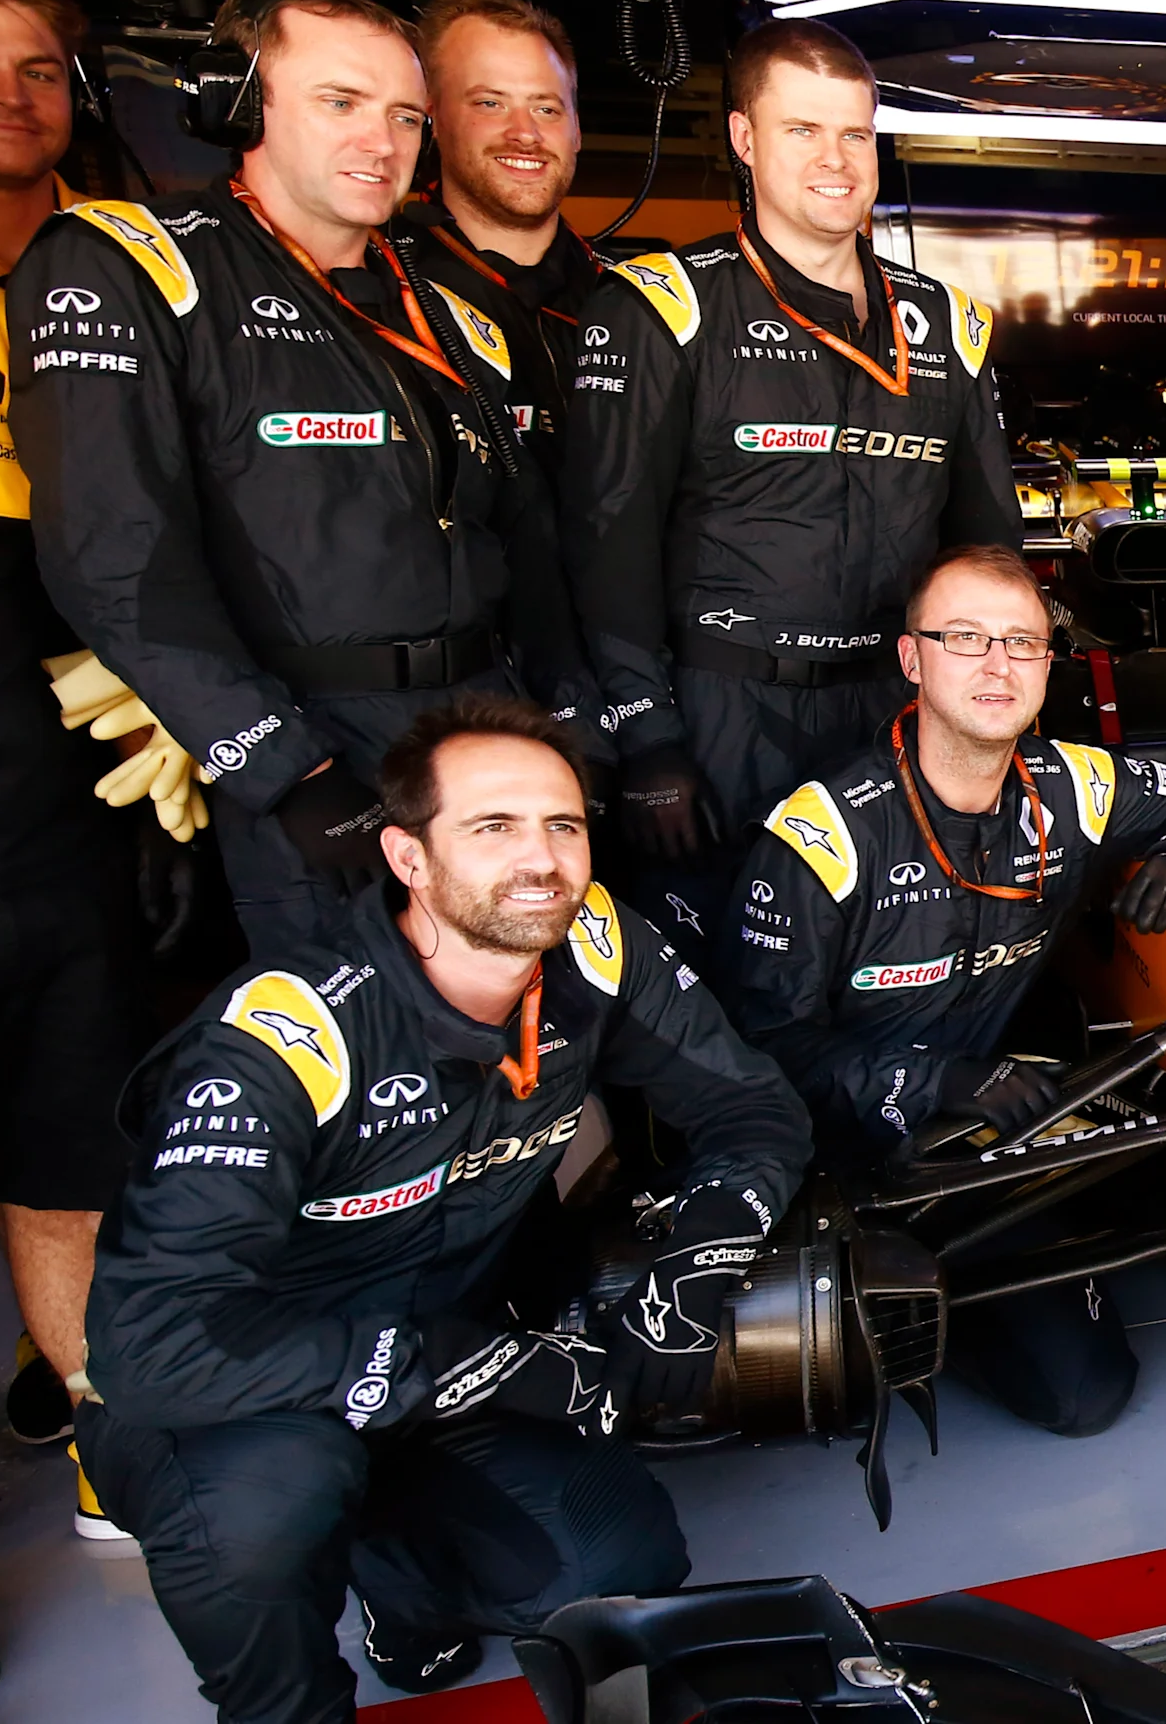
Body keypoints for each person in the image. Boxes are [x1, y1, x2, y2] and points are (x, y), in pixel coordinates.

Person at [78, 694, 811, 1724]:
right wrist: (444, 1363)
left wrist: (702, 1250)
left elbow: (750, 1108)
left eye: (563, 824)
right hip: (237, 1399)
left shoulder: (594, 945)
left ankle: (406, 1592)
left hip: (447, 1357)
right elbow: (147, 1350)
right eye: (492, 826)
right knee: (268, 1513)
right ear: (409, 858)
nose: (542, 858)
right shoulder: (290, 1037)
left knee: (622, 1562)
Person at [12, 0, 588, 963]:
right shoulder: (135, 266)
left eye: (404, 115)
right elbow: (114, 559)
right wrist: (283, 769)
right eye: (340, 103)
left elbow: (525, 543)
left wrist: (571, 727)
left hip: (488, 729)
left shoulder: (449, 314)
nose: (381, 140)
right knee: (362, 1057)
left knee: (531, 1024)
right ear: (241, 107)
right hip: (316, 738)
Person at [730, 545, 1166, 1434]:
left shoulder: (1073, 784)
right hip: (847, 1158)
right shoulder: (823, 835)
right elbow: (761, 1054)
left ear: (1048, 669)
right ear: (912, 659)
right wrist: (931, 1080)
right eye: (967, 637)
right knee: (1073, 1395)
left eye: (1021, 643)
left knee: (1093, 1379)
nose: (996, 665)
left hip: (989, 1131)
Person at [559, 18, 1021, 951]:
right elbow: (606, 548)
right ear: (744, 139)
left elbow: (989, 552)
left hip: (896, 711)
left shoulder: (948, 325)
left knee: (894, 965)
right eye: (802, 130)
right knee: (730, 983)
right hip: (725, 711)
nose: (836, 160)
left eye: (855, 133)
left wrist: (985, 704)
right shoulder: (665, 307)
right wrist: (646, 736)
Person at [0, 0, 147, 1705]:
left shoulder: (132, 262)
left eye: (37, 64)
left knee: (77, 1147)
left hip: (98, 806)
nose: (10, 95)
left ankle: (94, 1425)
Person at [401, 0, 603, 477]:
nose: (525, 134)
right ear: (433, 118)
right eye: (490, 103)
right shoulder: (385, 288)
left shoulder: (633, 302)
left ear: (576, 129)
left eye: (546, 109)